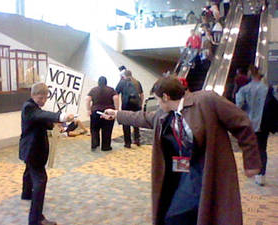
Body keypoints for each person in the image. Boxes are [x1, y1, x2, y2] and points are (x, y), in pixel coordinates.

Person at [102, 76, 261, 225]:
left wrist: (251, 161)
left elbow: (242, 123)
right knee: (175, 214)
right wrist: (117, 114)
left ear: (165, 97)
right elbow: (143, 118)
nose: (158, 105)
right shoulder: (165, 115)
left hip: (208, 170)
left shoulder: (206, 101)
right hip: (184, 173)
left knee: (200, 212)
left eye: (157, 100)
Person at [19, 82, 74, 225]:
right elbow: (40, 115)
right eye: (40, 98)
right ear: (32, 95)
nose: (43, 101)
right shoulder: (29, 107)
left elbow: (42, 120)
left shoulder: (34, 108)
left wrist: (56, 124)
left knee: (29, 171)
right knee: (40, 181)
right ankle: (36, 219)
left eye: (45, 98)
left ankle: (26, 194)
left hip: (31, 151)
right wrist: (61, 117)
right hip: (33, 151)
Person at [236, 65, 275, 186]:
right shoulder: (267, 89)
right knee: (262, 148)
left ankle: (250, 169)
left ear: (250, 74)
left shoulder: (244, 89)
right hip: (264, 123)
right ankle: (261, 175)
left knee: (249, 147)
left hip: (248, 124)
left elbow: (239, 105)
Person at [86, 76, 119, 151]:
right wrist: (116, 110)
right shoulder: (111, 90)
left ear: (98, 82)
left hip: (95, 111)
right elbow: (116, 98)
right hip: (108, 112)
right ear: (106, 82)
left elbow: (87, 99)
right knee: (107, 130)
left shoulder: (94, 90)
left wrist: (88, 109)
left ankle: (95, 144)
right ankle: (106, 146)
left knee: (94, 129)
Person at [116, 70, 144, 148]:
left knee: (125, 122)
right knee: (136, 121)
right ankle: (137, 139)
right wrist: (140, 104)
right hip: (136, 105)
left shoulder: (122, 82)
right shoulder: (137, 82)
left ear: (124, 75)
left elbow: (116, 94)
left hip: (126, 105)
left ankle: (127, 143)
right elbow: (141, 94)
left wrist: (117, 107)